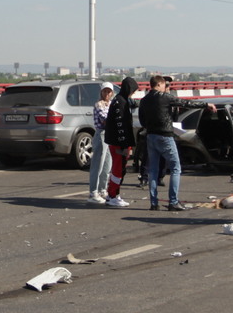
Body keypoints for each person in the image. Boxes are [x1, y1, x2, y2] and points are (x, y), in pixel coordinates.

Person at [138, 75, 213, 212]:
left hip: (151, 136)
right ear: (160, 84)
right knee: (175, 168)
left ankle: (154, 203)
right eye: (165, 85)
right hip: (165, 136)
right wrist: (206, 105)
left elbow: (142, 121)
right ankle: (173, 201)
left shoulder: (144, 100)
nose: (166, 87)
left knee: (153, 171)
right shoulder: (164, 97)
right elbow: (186, 103)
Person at [101, 77, 139, 208]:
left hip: (119, 142)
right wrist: (124, 145)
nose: (132, 94)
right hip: (119, 143)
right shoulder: (120, 102)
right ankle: (112, 196)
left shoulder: (121, 100)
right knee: (118, 170)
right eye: (133, 91)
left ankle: (114, 195)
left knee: (120, 169)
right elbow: (121, 125)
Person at [86, 84, 114, 203]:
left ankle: (103, 189)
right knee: (98, 164)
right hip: (101, 134)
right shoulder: (99, 104)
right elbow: (105, 119)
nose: (107, 94)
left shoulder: (111, 104)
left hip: (109, 135)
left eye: (109, 92)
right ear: (101, 92)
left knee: (107, 164)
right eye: (105, 91)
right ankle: (93, 192)